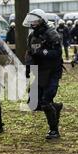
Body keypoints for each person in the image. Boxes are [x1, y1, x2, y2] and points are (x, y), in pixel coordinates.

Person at [24, 9, 64, 139]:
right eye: (32, 21)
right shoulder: (32, 36)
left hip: (52, 71)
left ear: (42, 20)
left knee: (46, 102)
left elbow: (57, 53)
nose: (33, 23)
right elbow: (30, 52)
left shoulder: (52, 34)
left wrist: (42, 52)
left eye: (35, 21)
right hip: (40, 72)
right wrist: (28, 68)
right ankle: (56, 107)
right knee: (33, 104)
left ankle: (54, 131)